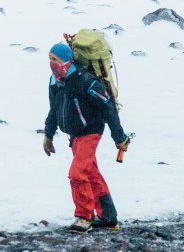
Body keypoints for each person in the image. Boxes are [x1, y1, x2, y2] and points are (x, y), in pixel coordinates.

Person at [43, 42, 130, 233]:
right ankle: (108, 217)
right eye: (49, 59)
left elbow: (107, 107)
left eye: (55, 60)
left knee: (77, 173)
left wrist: (119, 136)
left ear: (67, 60)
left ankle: (84, 216)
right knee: (90, 173)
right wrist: (48, 136)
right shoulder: (54, 82)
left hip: (90, 131)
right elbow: (54, 110)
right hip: (74, 135)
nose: (52, 64)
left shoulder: (85, 80)